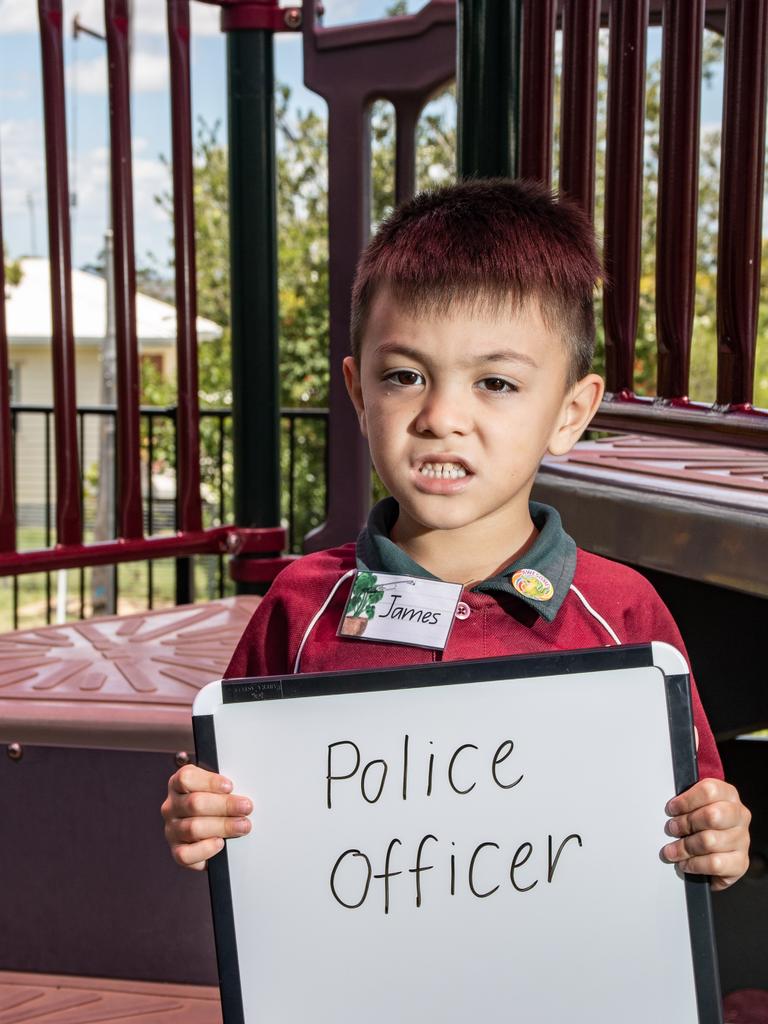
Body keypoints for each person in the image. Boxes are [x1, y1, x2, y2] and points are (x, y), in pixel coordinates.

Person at [162, 178, 750, 889]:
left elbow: (695, 813)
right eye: (405, 375)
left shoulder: (624, 613)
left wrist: (717, 840)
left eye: (495, 383)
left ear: (570, 412)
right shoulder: (299, 607)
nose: (441, 415)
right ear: (357, 391)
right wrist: (201, 818)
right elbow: (232, 809)